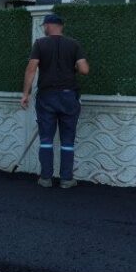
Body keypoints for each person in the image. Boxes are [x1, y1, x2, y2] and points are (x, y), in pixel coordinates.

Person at [20, 14, 90, 188]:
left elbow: (31, 69)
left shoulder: (40, 44)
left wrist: (25, 94)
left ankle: (45, 178)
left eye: (44, 25)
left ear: (48, 26)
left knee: (46, 139)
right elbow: (84, 70)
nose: (44, 28)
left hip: (47, 97)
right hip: (69, 97)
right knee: (67, 140)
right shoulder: (74, 44)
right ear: (61, 26)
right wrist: (73, 66)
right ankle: (66, 179)